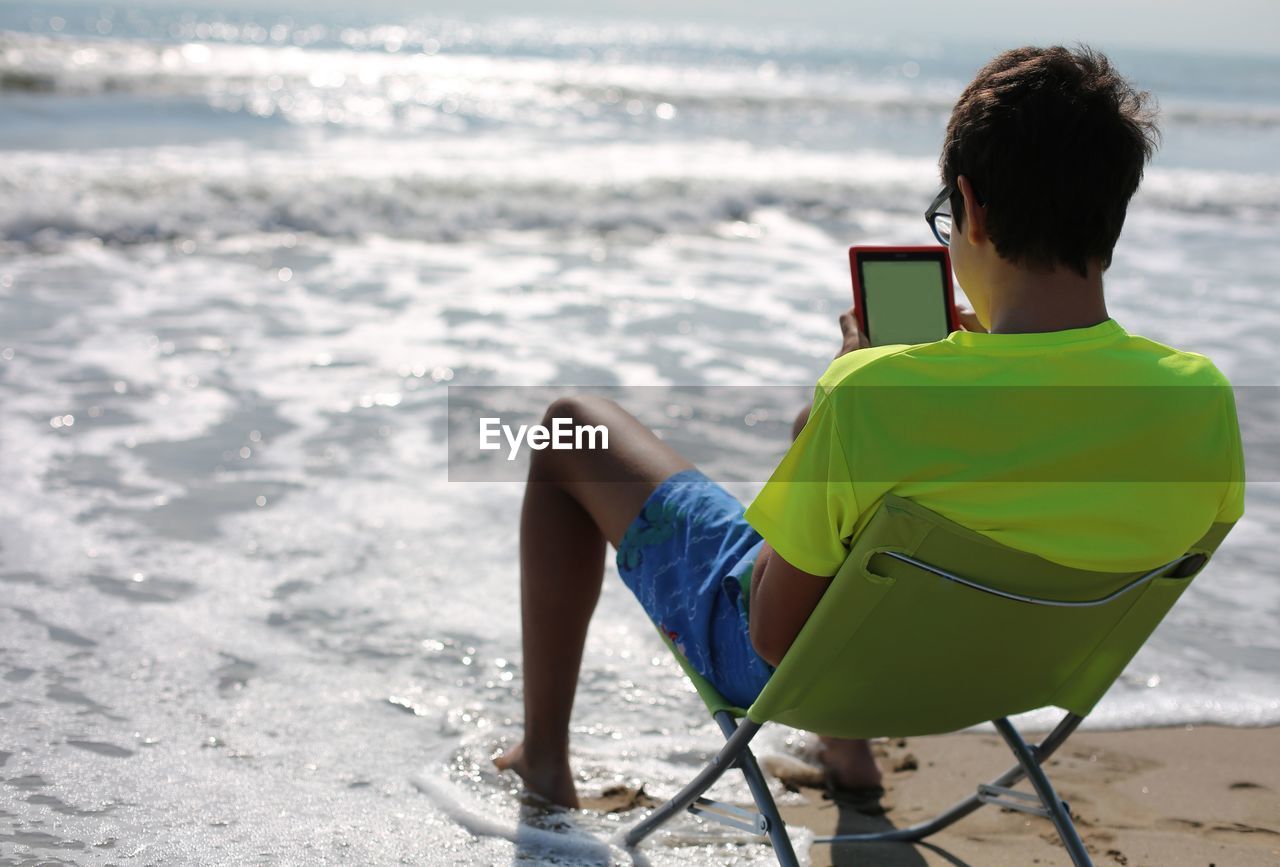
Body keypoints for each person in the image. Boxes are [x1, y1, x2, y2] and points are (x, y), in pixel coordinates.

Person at [493, 45, 1246, 808]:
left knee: (567, 429)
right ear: (1113, 209)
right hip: (1007, 680)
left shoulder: (874, 393)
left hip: (825, 678)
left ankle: (544, 757)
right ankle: (848, 756)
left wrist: (848, 389)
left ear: (971, 207)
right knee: (821, 451)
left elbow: (774, 638)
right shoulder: (1201, 397)